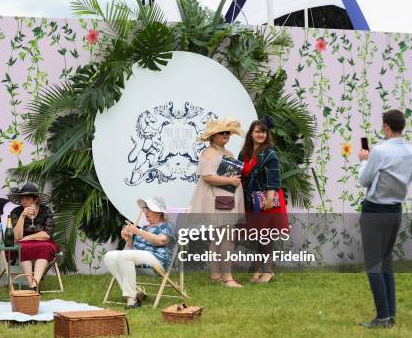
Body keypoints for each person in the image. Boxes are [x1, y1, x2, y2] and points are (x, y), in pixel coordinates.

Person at [357, 109, 412, 328]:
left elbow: (364, 180)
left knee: (373, 264)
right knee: (386, 263)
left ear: (386, 126)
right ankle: (389, 315)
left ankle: (382, 318)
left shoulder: (380, 151)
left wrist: (363, 160)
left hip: (374, 210)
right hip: (395, 210)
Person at [188, 117, 245, 287]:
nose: (225, 135)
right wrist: (231, 181)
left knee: (219, 238)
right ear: (212, 136)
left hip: (226, 199)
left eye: (228, 133)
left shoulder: (227, 154)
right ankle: (227, 278)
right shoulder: (208, 153)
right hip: (217, 200)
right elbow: (207, 177)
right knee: (225, 237)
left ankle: (216, 275)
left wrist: (233, 181)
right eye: (222, 133)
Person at [239, 117, 288, 284]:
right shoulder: (245, 152)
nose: (261, 134)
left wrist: (269, 198)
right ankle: (259, 270)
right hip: (252, 200)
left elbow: (274, 178)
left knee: (266, 236)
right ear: (251, 134)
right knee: (258, 236)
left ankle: (268, 271)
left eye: (264, 132)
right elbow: (239, 174)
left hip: (267, 199)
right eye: (257, 131)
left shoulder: (269, 153)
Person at [103, 196, 175, 309]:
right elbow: (133, 249)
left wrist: (138, 231)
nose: (146, 211)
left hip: (157, 261)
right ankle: (135, 293)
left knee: (124, 254)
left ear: (159, 212)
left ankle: (131, 299)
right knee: (109, 256)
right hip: (139, 260)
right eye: (145, 208)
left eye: (149, 208)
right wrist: (128, 239)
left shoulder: (167, 225)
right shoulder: (145, 227)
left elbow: (161, 241)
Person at [8, 183, 58, 290]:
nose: (23, 201)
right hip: (22, 244)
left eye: (27, 198)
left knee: (45, 248)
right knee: (22, 248)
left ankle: (34, 283)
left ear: (35, 199)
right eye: (22, 198)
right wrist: (22, 216)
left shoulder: (46, 211)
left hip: (43, 242)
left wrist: (27, 238)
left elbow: (46, 234)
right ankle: (33, 286)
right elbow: (17, 237)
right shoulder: (16, 212)